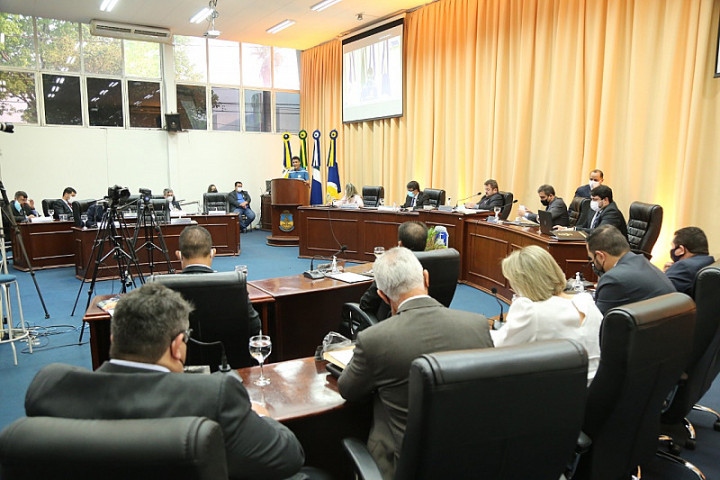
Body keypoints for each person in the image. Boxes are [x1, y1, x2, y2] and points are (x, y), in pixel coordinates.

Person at [24, 283, 305, 480]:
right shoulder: (213, 394)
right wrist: (262, 415)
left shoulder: (50, 387)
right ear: (177, 347)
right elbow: (288, 457)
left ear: (113, 339)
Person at [338, 247, 493, 480]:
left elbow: (348, 390)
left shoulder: (375, 340)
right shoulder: (478, 325)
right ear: (427, 278)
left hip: (401, 469)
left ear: (382, 296)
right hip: (469, 465)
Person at [494, 245, 601, 382]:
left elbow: (499, 348)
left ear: (523, 284)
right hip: (596, 389)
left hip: (556, 394)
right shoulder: (586, 301)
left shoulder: (531, 311)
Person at [175, 225, 261, 335]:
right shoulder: (234, 285)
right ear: (213, 253)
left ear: (179, 255)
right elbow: (254, 327)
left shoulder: (163, 288)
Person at [586, 225, 675, 315]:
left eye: (592, 258)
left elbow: (597, 322)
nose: (593, 262)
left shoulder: (613, 279)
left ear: (601, 256)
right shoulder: (642, 261)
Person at [359, 221, 428, 320]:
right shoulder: (435, 264)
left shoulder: (391, 268)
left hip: (388, 326)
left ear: (400, 244)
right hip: (425, 320)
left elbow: (365, 304)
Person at [663, 226, 715, 295]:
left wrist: (662, 275)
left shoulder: (683, 266)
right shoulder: (709, 261)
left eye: (673, 247)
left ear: (681, 250)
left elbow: (658, 291)